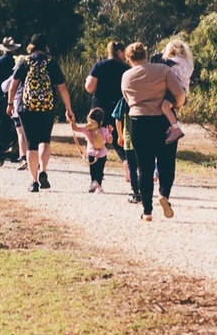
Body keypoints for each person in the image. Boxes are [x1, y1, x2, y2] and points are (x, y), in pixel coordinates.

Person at [120, 42, 186, 220]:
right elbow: (179, 93)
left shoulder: (126, 76)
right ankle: (164, 194)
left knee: (144, 167)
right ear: (146, 55)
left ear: (129, 58)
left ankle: (147, 211)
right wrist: (176, 107)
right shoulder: (163, 70)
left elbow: (127, 99)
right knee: (166, 162)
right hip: (163, 121)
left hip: (138, 122)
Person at [6, 34, 75, 192]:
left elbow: (13, 85)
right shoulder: (51, 62)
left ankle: (34, 181)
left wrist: (10, 104)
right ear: (45, 47)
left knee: (31, 143)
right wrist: (68, 109)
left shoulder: (24, 61)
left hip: (27, 108)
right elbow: (62, 88)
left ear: (31, 46)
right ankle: (43, 171)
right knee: (45, 140)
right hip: (47, 108)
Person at [85, 41, 133, 198]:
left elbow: (90, 86)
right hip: (119, 107)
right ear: (119, 52)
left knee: (96, 142)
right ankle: (128, 165)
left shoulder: (100, 65)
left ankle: (95, 179)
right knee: (120, 139)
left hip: (99, 107)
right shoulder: (126, 68)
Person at [0, 37, 22, 164]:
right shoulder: (18, 62)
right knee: (14, 124)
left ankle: (0, 151)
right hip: (16, 98)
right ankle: (15, 148)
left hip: (0, 99)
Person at [73, 107, 114, 193]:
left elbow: (75, 128)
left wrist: (71, 120)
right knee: (100, 169)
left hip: (91, 152)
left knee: (93, 169)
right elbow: (110, 140)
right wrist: (109, 133)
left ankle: (93, 182)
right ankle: (99, 184)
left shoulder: (87, 130)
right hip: (102, 153)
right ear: (101, 121)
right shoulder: (103, 130)